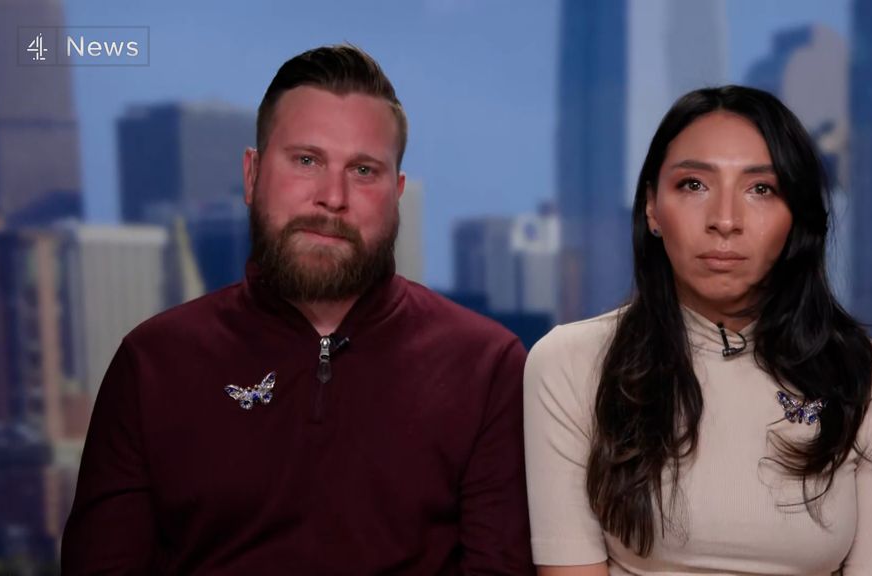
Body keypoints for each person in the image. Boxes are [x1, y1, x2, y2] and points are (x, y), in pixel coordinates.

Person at [62, 44, 533, 575]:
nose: (332, 196)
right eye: (306, 161)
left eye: (363, 170)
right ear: (252, 174)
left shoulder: (486, 367)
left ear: (397, 194)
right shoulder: (153, 363)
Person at [523, 86, 872, 575]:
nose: (725, 221)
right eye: (694, 185)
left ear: (796, 215)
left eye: (761, 189)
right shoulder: (569, 363)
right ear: (652, 207)